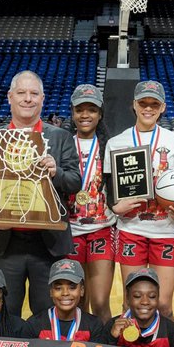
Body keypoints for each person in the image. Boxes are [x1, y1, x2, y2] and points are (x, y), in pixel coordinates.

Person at [0, 71, 81, 318]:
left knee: (47, 314)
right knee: (5, 312)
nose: (28, 98)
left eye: (34, 93)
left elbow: (74, 182)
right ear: (10, 97)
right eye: (21, 93)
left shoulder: (60, 137)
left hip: (48, 243)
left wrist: (56, 172)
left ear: (42, 98)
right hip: (5, 242)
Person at [104, 80, 174, 318]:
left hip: (166, 230)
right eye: (143, 103)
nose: (148, 108)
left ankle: (164, 343)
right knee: (130, 304)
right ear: (134, 104)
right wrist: (115, 206)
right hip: (131, 229)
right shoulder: (116, 142)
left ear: (162, 107)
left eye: (154, 104)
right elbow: (109, 189)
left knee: (163, 305)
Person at [65, 84, 114, 322]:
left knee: (100, 302)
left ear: (100, 113)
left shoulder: (112, 146)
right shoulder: (62, 143)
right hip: (69, 231)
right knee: (76, 303)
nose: (85, 115)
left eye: (92, 110)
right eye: (80, 109)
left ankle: (105, 344)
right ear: (72, 112)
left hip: (101, 229)